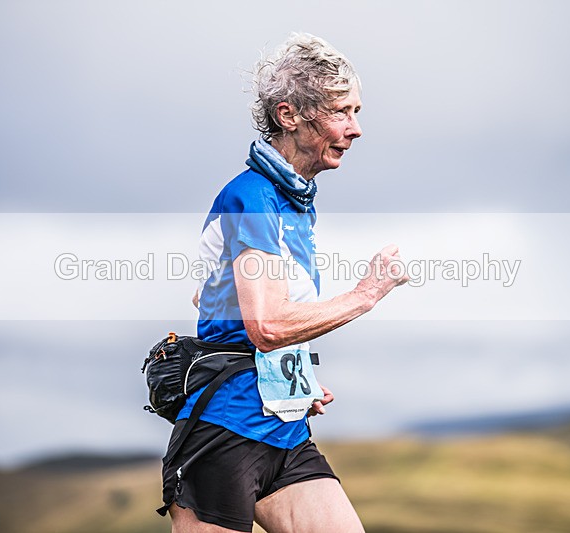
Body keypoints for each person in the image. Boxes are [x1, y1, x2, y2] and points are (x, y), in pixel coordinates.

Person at [159, 32, 408, 533]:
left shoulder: (294, 200)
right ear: (289, 115)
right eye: (341, 111)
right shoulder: (253, 196)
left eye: (356, 111)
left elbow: (213, 299)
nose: (356, 128)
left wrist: (290, 379)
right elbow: (268, 324)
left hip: (285, 431)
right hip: (224, 434)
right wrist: (366, 294)